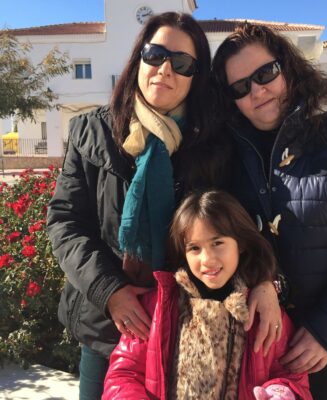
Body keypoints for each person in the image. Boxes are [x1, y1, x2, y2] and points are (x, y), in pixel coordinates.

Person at [47, 13, 281, 400]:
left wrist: (265, 281)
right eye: (155, 55)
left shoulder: (216, 144)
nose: (165, 69)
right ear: (138, 58)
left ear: (195, 77)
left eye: (182, 63)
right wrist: (110, 291)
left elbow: (243, 226)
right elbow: (66, 223)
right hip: (107, 323)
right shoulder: (92, 131)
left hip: (184, 325)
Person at [211, 22, 327, 400]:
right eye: (240, 87)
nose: (257, 91)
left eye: (265, 74)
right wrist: (260, 278)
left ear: (287, 67)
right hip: (264, 341)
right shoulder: (229, 151)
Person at [102, 190, 312, 400]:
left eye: (217, 243)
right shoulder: (158, 306)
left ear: (241, 244)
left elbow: (291, 374)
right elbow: (123, 373)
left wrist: (281, 394)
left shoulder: (263, 311)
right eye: (194, 248)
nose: (207, 259)